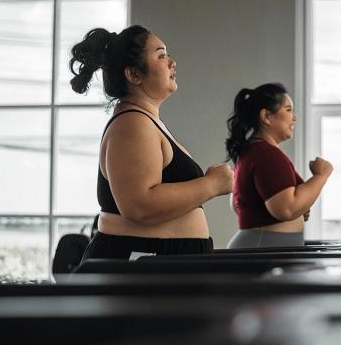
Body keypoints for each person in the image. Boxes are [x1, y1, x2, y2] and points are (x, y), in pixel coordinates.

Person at [69, 25, 233, 260]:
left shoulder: (143, 121)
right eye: (161, 55)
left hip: (158, 259)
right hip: (144, 260)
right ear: (134, 74)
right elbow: (139, 205)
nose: (172, 62)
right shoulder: (132, 124)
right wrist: (213, 185)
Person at [225, 83, 333, 248]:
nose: (294, 118)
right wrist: (321, 175)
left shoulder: (252, 152)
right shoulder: (265, 154)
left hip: (261, 246)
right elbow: (287, 209)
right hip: (261, 249)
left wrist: (300, 207)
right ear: (267, 116)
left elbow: (240, 204)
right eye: (289, 110)